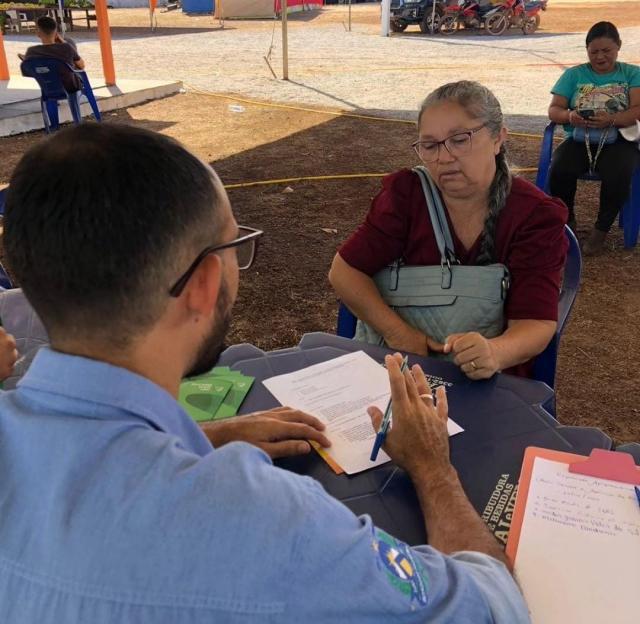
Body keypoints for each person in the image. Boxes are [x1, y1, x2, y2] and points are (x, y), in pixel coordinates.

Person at [0, 124, 529, 623]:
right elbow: (486, 608)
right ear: (205, 282)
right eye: (234, 248)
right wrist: (434, 468)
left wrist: (203, 436)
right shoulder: (263, 522)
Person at [329, 80, 567, 380]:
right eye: (429, 145)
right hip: (401, 368)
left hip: (490, 382)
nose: (443, 157)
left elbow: (536, 322)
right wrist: (399, 333)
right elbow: (344, 272)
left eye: (460, 139)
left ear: (498, 138)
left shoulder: (533, 215)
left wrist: (494, 352)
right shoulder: (406, 196)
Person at [547, 21, 640, 255]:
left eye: (606, 51)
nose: (600, 57)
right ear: (586, 51)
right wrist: (570, 116)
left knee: (619, 173)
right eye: (593, 52)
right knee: (559, 168)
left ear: (618, 47)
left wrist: (612, 119)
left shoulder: (632, 74)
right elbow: (554, 110)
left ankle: (601, 231)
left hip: (619, 139)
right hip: (581, 138)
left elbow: (638, 109)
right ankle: (568, 223)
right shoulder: (574, 75)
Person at [19, 16, 85, 93]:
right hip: (70, 87)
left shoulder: (31, 51)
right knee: (69, 42)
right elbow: (82, 66)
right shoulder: (66, 48)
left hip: (48, 87)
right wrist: (64, 42)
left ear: (38, 33)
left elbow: (28, 73)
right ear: (56, 32)